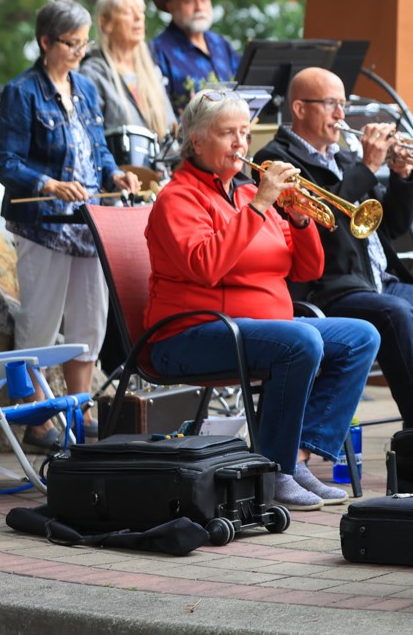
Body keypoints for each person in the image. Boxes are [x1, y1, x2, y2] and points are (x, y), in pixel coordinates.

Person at [145, 89, 380, 510]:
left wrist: (302, 216)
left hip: (259, 331)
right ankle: (275, 468)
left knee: (361, 335)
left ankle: (297, 457)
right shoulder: (178, 198)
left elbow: (305, 271)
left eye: (245, 132)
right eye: (227, 133)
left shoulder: (248, 195)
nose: (240, 143)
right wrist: (260, 205)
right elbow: (206, 266)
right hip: (189, 335)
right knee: (301, 342)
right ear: (196, 141)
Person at [255, 67, 413, 429]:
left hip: (380, 283)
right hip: (328, 289)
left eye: (344, 105)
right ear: (299, 109)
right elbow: (323, 221)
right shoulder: (278, 161)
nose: (342, 115)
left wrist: (401, 175)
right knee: (396, 314)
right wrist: (367, 166)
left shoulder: (343, 158)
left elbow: (391, 226)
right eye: (331, 104)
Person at [0, 0, 141, 451]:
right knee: (40, 321)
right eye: (71, 44)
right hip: (43, 223)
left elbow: (99, 150)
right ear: (45, 42)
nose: (79, 52)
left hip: (87, 223)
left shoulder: (86, 89)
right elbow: (4, 160)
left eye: (84, 43)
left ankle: (79, 405)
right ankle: (37, 417)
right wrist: (48, 183)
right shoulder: (23, 92)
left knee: (89, 321)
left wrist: (116, 174)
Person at [79, 0, 177, 174]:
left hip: (159, 182)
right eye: (128, 12)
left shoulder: (152, 72)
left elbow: (171, 133)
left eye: (141, 12)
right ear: (105, 23)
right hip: (116, 185)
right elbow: (88, 139)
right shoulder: (92, 73)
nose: (139, 18)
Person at [150, 0, 240, 115]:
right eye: (189, 1)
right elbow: (157, 113)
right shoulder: (158, 51)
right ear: (171, 6)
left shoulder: (221, 45)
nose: (199, 7)